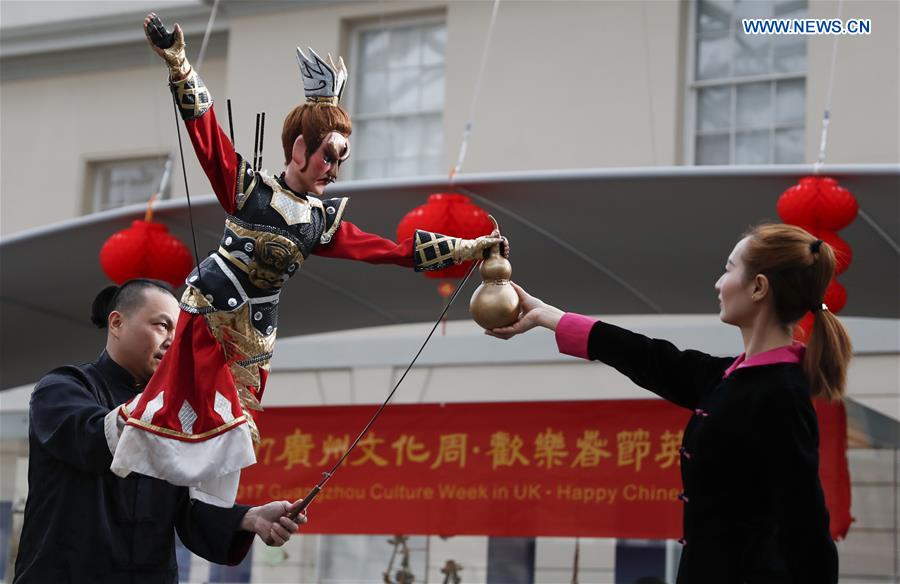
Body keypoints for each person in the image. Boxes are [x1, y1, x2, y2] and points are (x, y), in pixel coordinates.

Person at [110, 14, 508, 507]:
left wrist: (471, 248)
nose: (334, 171)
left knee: (240, 430)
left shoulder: (320, 222)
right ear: (299, 148)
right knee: (187, 408)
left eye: (340, 159)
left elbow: (390, 250)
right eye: (329, 156)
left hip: (257, 331)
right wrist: (179, 61)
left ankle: (206, 514)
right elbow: (205, 133)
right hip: (210, 313)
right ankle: (147, 480)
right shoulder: (247, 189)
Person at [487, 223, 850, 584]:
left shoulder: (779, 394)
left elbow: (807, 531)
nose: (718, 284)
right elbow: (651, 358)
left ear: (758, 287)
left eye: (728, 270)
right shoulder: (735, 378)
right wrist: (546, 315)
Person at [13, 279, 306, 584]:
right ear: (116, 323)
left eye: (178, 334)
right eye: (162, 326)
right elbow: (93, 440)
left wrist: (250, 518)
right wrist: (177, 394)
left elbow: (186, 511)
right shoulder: (62, 388)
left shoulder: (170, 411)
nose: (171, 342)